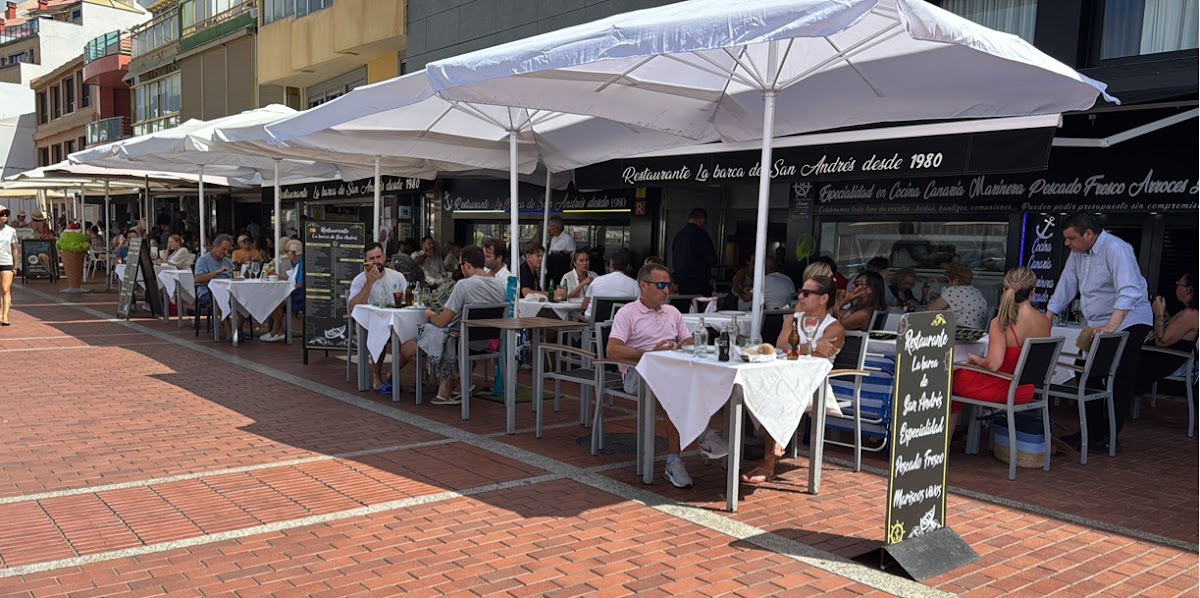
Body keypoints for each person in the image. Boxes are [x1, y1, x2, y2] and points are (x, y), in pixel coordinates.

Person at [608, 263, 727, 489]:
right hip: (639, 374)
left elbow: (689, 339)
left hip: (672, 373)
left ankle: (675, 460)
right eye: (661, 285)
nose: (666, 290)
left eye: (669, 285)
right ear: (644, 286)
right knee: (674, 387)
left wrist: (683, 344)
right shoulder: (627, 314)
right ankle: (702, 435)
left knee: (702, 379)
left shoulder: (672, 312)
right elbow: (612, 350)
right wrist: (651, 354)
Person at [1047, 213, 1153, 453]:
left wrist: (1111, 328)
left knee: (1118, 378)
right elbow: (1066, 283)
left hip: (1129, 321)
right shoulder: (1077, 254)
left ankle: (1109, 435)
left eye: (1071, 238)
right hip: (1098, 323)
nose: (1067, 244)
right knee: (1087, 374)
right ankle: (1090, 431)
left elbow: (1128, 291)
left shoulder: (1117, 249)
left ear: (1089, 234)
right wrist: (1048, 315)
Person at [742, 275, 846, 484]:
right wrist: (813, 347)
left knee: (775, 396)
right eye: (801, 291)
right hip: (786, 378)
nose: (800, 296)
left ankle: (768, 462)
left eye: (807, 293)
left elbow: (821, 355)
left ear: (823, 298)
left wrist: (801, 349)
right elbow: (782, 346)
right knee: (751, 387)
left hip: (815, 384)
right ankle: (778, 434)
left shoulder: (834, 327)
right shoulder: (793, 319)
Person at [398, 245, 506, 405]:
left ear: (467, 265)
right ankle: (453, 376)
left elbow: (442, 322)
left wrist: (429, 316)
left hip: (460, 341)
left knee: (406, 349)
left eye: (460, 264)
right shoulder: (499, 286)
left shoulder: (463, 285)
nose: (460, 268)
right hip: (483, 341)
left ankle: (450, 375)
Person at [951, 268, 1051, 429]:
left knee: (950, 379)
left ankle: (943, 444)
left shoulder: (1001, 322)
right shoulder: (1045, 321)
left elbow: (993, 365)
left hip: (1003, 388)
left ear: (1005, 290)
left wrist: (973, 360)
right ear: (1033, 292)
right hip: (1025, 390)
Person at [347, 242, 410, 393]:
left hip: (396, 320)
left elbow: (407, 300)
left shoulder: (397, 277)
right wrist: (369, 283)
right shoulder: (360, 280)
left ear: (385, 257)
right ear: (365, 260)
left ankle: (393, 372)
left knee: (417, 337)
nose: (376, 261)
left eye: (378, 257)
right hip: (369, 322)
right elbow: (352, 306)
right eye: (372, 258)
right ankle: (376, 375)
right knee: (378, 333)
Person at [1136, 272, 1199, 395]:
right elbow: (1172, 331)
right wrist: (1164, 314)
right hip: (1162, 358)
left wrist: (1158, 313)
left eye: (1178, 284)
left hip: (1164, 360)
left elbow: (1161, 341)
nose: (1176, 287)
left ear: (1188, 290)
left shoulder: (1191, 314)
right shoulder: (1188, 312)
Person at [194, 234, 243, 341]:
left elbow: (235, 276)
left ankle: (237, 329)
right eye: (223, 249)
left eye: (228, 250)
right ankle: (230, 333)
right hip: (207, 292)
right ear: (215, 246)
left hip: (229, 291)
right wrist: (216, 272)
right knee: (220, 298)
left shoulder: (228, 262)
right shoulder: (203, 260)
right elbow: (198, 278)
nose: (225, 253)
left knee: (247, 300)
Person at [260, 239, 305, 343]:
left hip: (298, 295)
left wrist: (288, 288)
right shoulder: (296, 263)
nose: (286, 254)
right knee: (270, 299)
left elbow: (300, 284)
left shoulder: (302, 264)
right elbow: (291, 279)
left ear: (294, 253)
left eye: (287, 251)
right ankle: (280, 331)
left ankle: (276, 331)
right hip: (292, 292)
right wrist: (278, 277)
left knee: (275, 302)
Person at [924, 263, 988, 330]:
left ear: (955, 281)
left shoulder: (953, 290)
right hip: (977, 332)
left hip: (960, 331)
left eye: (949, 281)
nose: (948, 284)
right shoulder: (976, 291)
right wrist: (939, 297)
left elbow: (931, 309)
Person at [582, 248, 639, 321]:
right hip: (624, 326)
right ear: (627, 267)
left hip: (597, 326)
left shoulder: (597, 281)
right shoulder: (635, 285)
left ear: (611, 263)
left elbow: (584, 306)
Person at [671, 208, 718, 295]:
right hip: (698, 282)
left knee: (684, 306)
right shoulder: (701, 235)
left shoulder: (679, 235)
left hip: (681, 282)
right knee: (701, 307)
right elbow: (711, 258)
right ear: (702, 219)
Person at [0, 205, 17, 326]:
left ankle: (5, 316)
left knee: (6, 289)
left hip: (7, 262)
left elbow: (14, 249)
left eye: (6, 214)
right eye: (1, 214)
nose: (4, 216)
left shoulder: (11, 231)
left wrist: (15, 266)